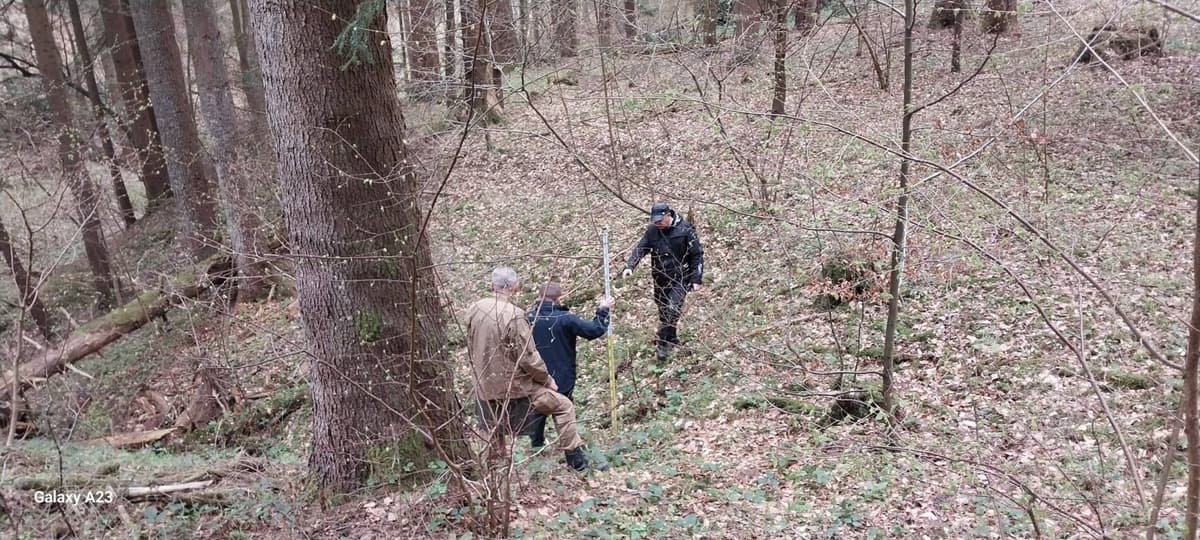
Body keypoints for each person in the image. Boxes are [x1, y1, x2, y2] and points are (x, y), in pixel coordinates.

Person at [465, 266, 596, 472]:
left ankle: (494, 469)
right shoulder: (515, 315)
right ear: (515, 287)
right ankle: (576, 460)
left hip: (484, 386)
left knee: (493, 427)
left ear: (492, 286)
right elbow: (528, 357)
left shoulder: (475, 309)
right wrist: (547, 380)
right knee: (564, 406)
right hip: (517, 389)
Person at [524, 282, 614, 449]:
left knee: (538, 410)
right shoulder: (566, 319)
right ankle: (570, 449)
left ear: (539, 297)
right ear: (559, 298)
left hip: (535, 376)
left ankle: (537, 446)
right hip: (562, 377)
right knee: (563, 412)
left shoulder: (527, 319)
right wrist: (603, 310)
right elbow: (594, 330)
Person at [622, 202, 705, 360]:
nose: (658, 223)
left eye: (660, 220)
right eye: (655, 221)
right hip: (660, 277)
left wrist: (696, 278)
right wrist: (630, 266)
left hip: (680, 277)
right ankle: (671, 337)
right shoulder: (653, 231)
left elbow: (697, 255)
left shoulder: (685, 229)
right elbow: (641, 248)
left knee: (672, 308)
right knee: (663, 310)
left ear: (668, 215)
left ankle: (663, 344)